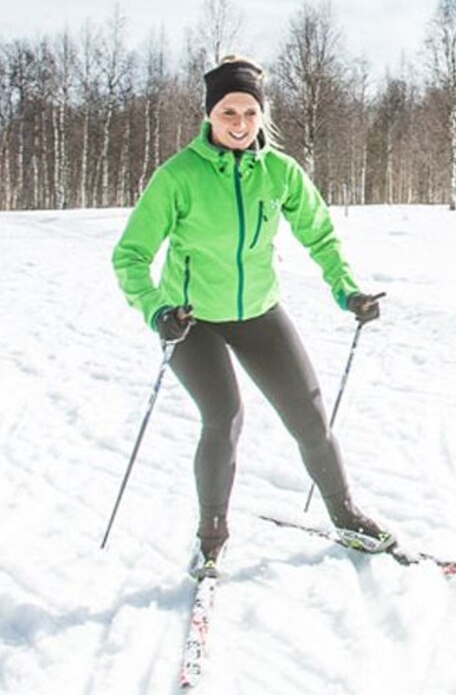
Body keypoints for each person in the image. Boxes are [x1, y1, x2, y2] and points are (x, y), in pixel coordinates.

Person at [113, 55, 391, 579]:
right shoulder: (179, 176)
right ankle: (211, 538)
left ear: (261, 114)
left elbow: (321, 236)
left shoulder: (280, 172)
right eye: (228, 113)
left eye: (248, 112)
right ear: (209, 115)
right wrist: (157, 312)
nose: (239, 124)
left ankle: (346, 516)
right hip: (191, 321)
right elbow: (129, 256)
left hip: (259, 313)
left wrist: (347, 291)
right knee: (225, 416)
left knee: (310, 417)